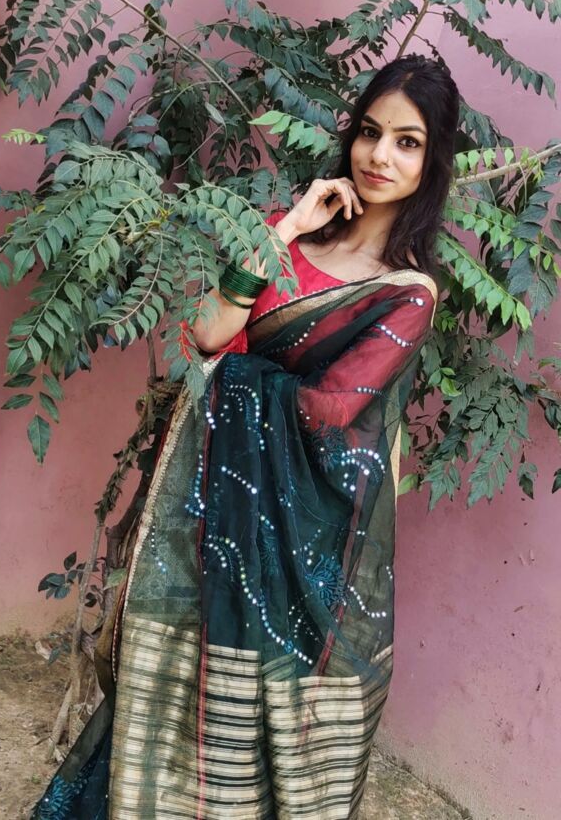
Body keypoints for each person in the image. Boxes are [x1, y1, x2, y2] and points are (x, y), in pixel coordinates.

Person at [31, 53, 459, 819]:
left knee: (256, 715)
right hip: (211, 507)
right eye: (370, 132)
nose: (379, 156)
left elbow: (326, 413)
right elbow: (206, 333)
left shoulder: (407, 294)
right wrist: (286, 228)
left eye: (408, 142)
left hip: (301, 535)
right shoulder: (288, 240)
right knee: (176, 680)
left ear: (434, 162)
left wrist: (232, 371)